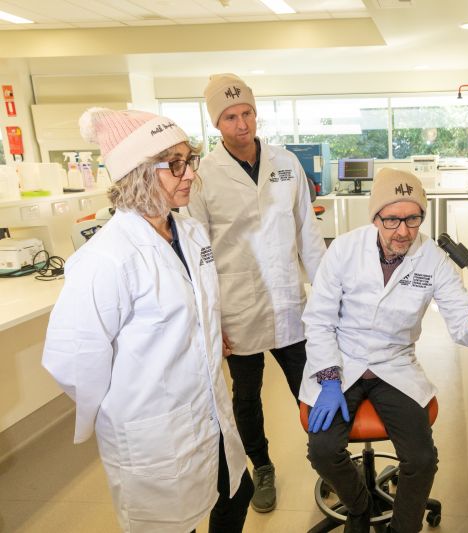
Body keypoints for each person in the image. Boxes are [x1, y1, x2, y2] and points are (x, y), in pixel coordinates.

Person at [42, 107, 253, 532]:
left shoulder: (189, 232)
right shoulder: (106, 258)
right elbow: (72, 361)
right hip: (154, 431)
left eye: (188, 160)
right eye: (173, 164)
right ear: (137, 173)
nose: (189, 173)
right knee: (173, 524)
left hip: (208, 411)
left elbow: (192, 309)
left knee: (236, 491)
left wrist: (206, 338)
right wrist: (126, 405)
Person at [300, 168, 468, 533]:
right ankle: (359, 505)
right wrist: (327, 380)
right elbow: (319, 319)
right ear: (375, 218)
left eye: (412, 218)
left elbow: (458, 314)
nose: (403, 231)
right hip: (342, 362)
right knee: (323, 451)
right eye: (391, 220)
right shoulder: (343, 250)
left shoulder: (431, 257)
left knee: (421, 459)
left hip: (394, 366)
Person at [187, 73, 326, 513]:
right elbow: (198, 253)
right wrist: (210, 322)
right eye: (230, 116)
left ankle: (327, 459)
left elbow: (309, 234)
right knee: (246, 398)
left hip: (290, 304)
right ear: (217, 123)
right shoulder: (203, 176)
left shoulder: (286, 163)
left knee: (313, 387)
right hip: (237, 309)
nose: (241, 123)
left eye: (246, 112)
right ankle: (261, 466)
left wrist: (326, 299)